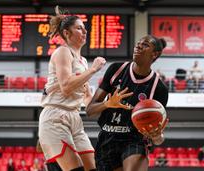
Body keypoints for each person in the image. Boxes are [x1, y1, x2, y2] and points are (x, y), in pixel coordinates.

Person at [86, 35, 169, 171]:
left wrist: (157, 136)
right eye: (138, 43)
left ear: (155, 54)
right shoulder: (116, 70)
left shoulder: (159, 88)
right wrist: (107, 104)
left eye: (146, 45)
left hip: (134, 139)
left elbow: (158, 139)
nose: (139, 46)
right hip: (107, 138)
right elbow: (89, 110)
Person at [38, 6, 106, 171]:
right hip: (56, 116)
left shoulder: (82, 61)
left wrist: (107, 104)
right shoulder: (62, 52)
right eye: (79, 28)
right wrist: (94, 70)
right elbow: (66, 87)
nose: (84, 31)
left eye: (84, 28)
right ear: (67, 33)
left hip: (74, 117)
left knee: (93, 168)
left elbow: (87, 97)